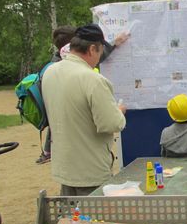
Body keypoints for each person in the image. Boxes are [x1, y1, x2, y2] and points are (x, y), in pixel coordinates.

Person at [42, 24, 127, 196]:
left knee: (71, 219)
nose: (99, 57)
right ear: (92, 49)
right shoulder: (93, 79)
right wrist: (119, 111)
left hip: (65, 167)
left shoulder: (50, 72)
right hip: (90, 169)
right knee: (93, 221)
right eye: (100, 51)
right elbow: (111, 124)